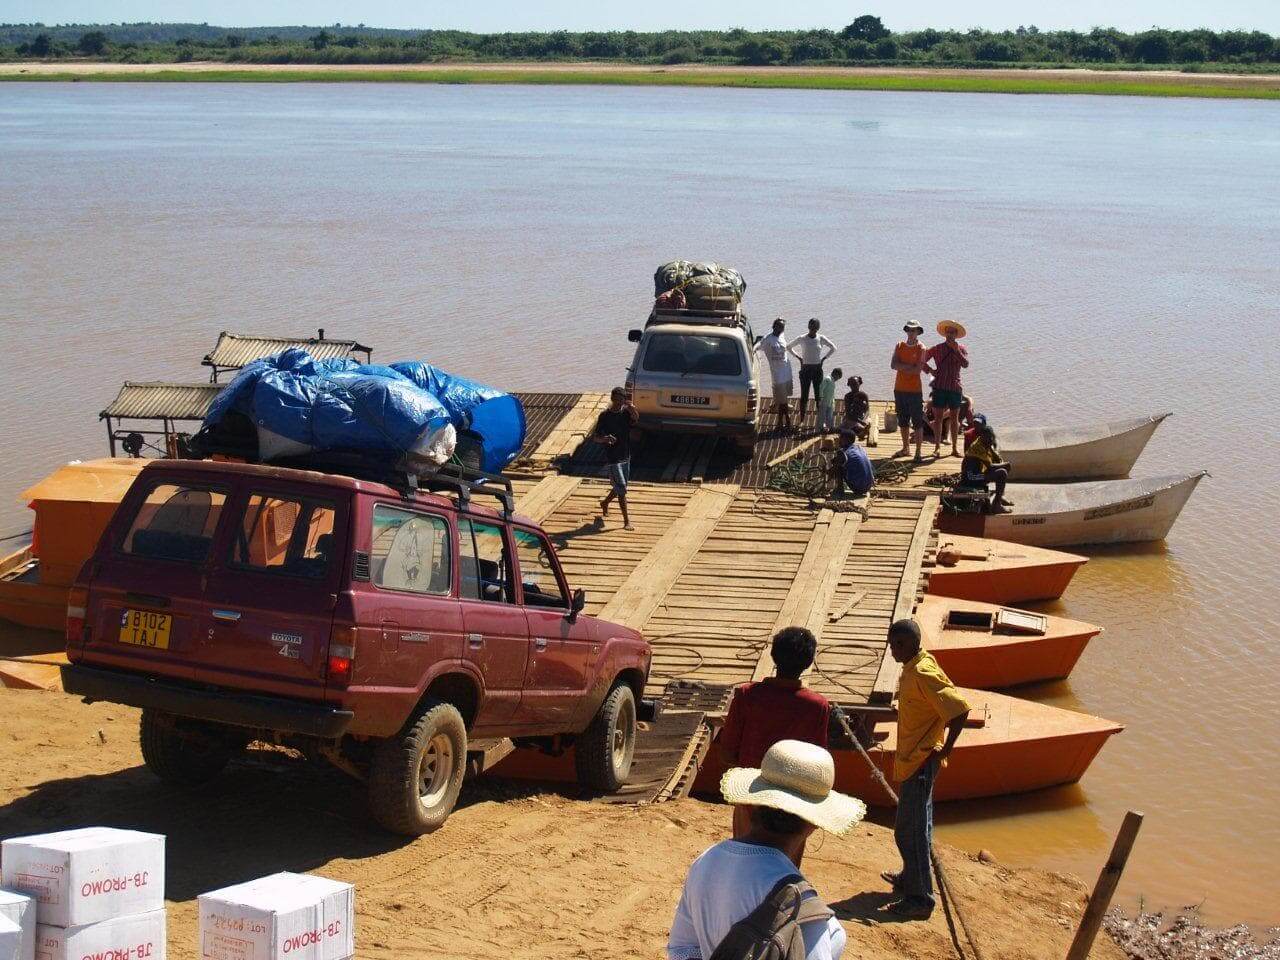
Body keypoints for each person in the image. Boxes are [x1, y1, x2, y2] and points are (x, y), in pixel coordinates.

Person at [667, 740, 866, 960]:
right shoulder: (801, 904)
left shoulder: (706, 861)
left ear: (751, 805)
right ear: (813, 824)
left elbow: (682, 949)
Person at [881, 619, 970, 920]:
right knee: (918, 825)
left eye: (900, 645)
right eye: (892, 644)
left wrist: (947, 749)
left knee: (910, 831)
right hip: (911, 760)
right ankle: (910, 877)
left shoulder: (922, 671)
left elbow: (959, 709)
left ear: (914, 644)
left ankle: (920, 899)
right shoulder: (915, 664)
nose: (894, 650)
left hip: (920, 761)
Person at [718, 627, 831, 840]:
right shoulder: (818, 706)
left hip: (750, 794)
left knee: (745, 850)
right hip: (793, 803)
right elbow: (819, 763)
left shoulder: (747, 695)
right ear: (808, 663)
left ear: (773, 656)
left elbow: (727, 753)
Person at [592, 387, 639, 531]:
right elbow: (595, 437)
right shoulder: (604, 416)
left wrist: (632, 408)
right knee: (622, 488)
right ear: (612, 399)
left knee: (620, 486)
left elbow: (636, 419)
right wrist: (605, 438)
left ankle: (605, 502)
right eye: (616, 399)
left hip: (625, 455)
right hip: (613, 458)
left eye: (621, 400)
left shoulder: (625, 413)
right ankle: (626, 521)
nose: (619, 402)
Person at [924, 321, 970, 459]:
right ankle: (937, 448)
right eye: (948, 332)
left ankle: (955, 448)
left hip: (954, 387)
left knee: (955, 419)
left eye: (953, 332)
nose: (950, 335)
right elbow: (921, 360)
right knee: (938, 419)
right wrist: (930, 370)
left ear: (956, 335)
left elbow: (966, 364)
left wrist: (956, 350)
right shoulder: (937, 348)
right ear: (945, 334)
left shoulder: (961, 348)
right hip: (940, 387)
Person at [889, 322, 927, 462]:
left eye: (914, 330)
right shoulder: (899, 345)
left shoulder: (921, 348)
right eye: (909, 330)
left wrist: (902, 367)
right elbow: (893, 365)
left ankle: (918, 452)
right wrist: (909, 366)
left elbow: (918, 370)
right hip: (899, 389)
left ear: (918, 332)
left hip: (914, 390)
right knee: (903, 421)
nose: (911, 332)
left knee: (917, 422)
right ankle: (905, 448)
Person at [788, 318, 837, 421]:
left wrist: (823, 359)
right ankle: (801, 420)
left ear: (818, 328)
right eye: (811, 326)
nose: (813, 329)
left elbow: (833, 348)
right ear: (808, 326)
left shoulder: (821, 338)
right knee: (804, 397)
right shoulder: (802, 338)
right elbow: (789, 347)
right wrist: (798, 357)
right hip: (805, 370)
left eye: (815, 327)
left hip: (817, 370)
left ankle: (820, 421)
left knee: (818, 396)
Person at [960, 424, 1013, 514]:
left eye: (990, 438)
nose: (989, 440)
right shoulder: (977, 447)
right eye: (987, 438)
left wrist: (998, 457)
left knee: (1003, 468)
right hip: (970, 477)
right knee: (1002, 472)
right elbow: (990, 466)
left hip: (978, 473)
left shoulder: (986, 443)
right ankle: (996, 505)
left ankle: (999, 497)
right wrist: (1005, 465)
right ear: (982, 437)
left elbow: (996, 459)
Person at [757, 318, 795, 434]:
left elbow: (786, 349)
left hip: (787, 373)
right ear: (773, 326)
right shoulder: (768, 339)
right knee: (782, 401)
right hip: (777, 375)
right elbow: (757, 347)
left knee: (783, 400)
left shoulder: (782, 336)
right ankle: (786, 422)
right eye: (779, 327)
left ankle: (780, 423)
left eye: (783, 327)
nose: (781, 329)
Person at [838, 376, 869, 444]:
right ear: (849, 385)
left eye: (855, 384)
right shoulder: (848, 396)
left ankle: (859, 430)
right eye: (852, 384)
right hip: (851, 419)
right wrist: (860, 421)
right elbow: (848, 414)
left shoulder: (864, 395)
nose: (854, 386)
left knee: (865, 423)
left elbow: (867, 410)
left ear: (859, 384)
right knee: (840, 429)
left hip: (861, 417)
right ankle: (859, 431)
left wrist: (864, 420)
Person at [816, 367, 840, 435]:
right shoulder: (827, 379)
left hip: (830, 401)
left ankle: (829, 427)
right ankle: (820, 428)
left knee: (829, 415)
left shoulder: (832, 380)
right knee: (822, 414)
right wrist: (820, 397)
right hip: (824, 400)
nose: (837, 380)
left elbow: (832, 392)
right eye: (838, 378)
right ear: (835, 374)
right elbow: (821, 388)